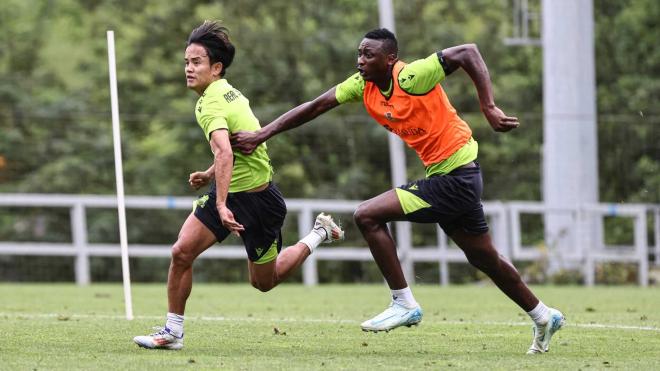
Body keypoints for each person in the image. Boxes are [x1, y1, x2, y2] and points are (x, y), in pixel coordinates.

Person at [232, 28, 564, 354]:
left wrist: (488, 107)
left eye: (369, 54)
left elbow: (468, 52)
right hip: (452, 178)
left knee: (367, 215)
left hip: (457, 179)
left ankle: (403, 302)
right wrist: (262, 134)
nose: (360, 60)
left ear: (390, 59)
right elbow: (314, 107)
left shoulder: (412, 77)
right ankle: (543, 315)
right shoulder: (362, 85)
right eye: (359, 53)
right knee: (484, 258)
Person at [133, 21, 344, 350]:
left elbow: (226, 153)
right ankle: (173, 333)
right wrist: (209, 176)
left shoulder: (211, 102)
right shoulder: (227, 91)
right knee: (181, 252)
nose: (188, 69)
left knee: (264, 282)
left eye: (196, 62)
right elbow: (230, 149)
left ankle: (318, 234)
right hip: (229, 191)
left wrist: (219, 203)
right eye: (186, 62)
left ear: (215, 68)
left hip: (259, 204)